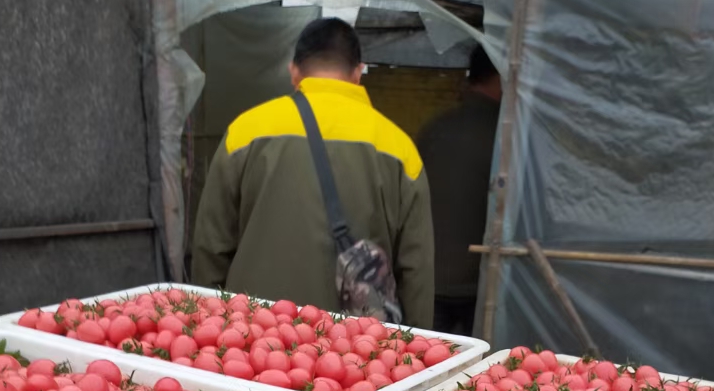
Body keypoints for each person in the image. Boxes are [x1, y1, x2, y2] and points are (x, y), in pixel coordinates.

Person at [191, 18, 434, 328]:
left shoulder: (246, 132)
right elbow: (417, 269)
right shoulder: (400, 148)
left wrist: (210, 326)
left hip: (252, 339)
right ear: (358, 72)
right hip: (354, 352)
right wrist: (416, 345)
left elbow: (211, 247)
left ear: (294, 72)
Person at [417, 44, 502, 337]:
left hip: (428, 279)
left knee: (425, 366)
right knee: (476, 372)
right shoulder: (506, 138)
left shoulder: (433, 129)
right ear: (500, 77)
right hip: (478, 284)